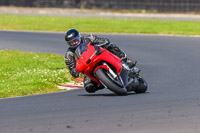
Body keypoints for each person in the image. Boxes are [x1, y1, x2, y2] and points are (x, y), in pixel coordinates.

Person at [64, 28, 137, 93]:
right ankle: (105, 82)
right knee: (89, 87)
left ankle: (126, 61)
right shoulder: (69, 55)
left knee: (111, 47)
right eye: (71, 42)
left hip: (99, 55)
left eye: (75, 40)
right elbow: (72, 69)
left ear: (79, 37)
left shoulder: (89, 38)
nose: (74, 43)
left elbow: (103, 41)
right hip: (88, 67)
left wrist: (103, 43)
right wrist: (76, 71)